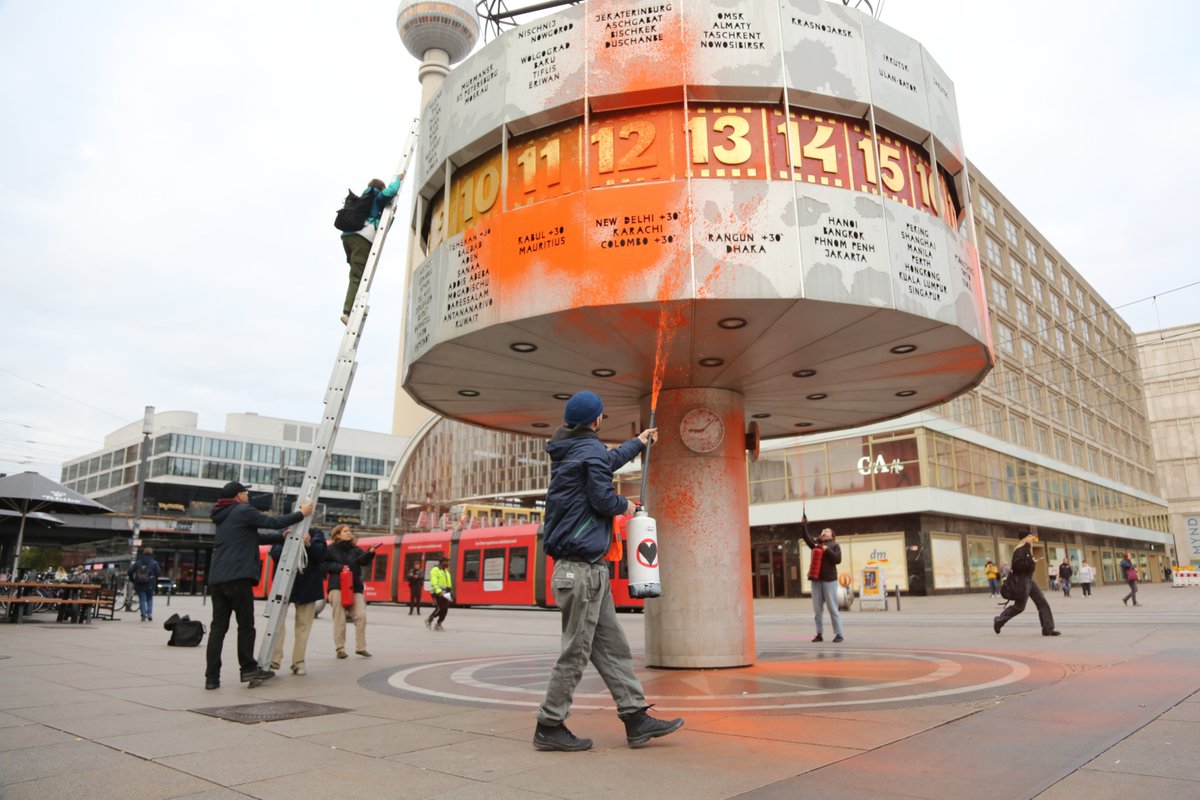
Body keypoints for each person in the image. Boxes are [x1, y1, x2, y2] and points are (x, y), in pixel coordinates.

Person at [533, 390, 683, 752]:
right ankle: (549, 724)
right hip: (582, 570)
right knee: (576, 651)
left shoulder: (574, 449)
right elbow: (602, 498)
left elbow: (606, 459)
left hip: (586, 570)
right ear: (596, 420)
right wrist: (626, 506)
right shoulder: (589, 452)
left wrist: (638, 443)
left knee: (611, 647)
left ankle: (635, 717)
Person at [206, 481, 313, 690]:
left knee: (218, 628)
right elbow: (272, 522)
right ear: (239, 495)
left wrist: (280, 538)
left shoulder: (222, 515)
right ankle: (248, 668)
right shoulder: (243, 510)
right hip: (238, 578)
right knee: (245, 626)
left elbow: (252, 537)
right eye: (245, 492)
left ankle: (211, 678)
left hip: (218, 579)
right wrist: (301, 513)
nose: (248, 495)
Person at [339, 176, 401, 324]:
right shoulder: (376, 196)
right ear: (380, 188)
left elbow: (382, 225)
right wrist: (398, 179)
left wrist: (390, 216)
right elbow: (391, 191)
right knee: (357, 277)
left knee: (355, 273)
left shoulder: (363, 198)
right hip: (362, 238)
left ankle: (352, 305)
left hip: (347, 238)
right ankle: (348, 313)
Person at [267, 527, 327, 676]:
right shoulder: (283, 529)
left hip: (308, 585)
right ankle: (274, 659)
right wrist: (284, 539)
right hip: (284, 584)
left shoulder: (315, 533)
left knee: (304, 626)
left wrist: (309, 543)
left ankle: (298, 662)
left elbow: (321, 555)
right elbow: (274, 554)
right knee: (277, 623)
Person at [324, 524, 377, 658]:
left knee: (361, 615)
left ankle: (360, 647)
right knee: (339, 619)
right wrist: (339, 567)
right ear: (337, 535)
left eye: (350, 531)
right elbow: (323, 565)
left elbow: (364, 561)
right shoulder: (330, 549)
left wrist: (370, 553)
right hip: (337, 586)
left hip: (355, 587)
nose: (349, 533)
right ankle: (340, 649)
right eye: (345, 531)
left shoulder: (355, 549)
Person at [993, 532, 1060, 636]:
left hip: (1029, 580)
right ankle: (999, 621)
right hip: (1022, 582)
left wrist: (1031, 562)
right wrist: (1030, 562)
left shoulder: (1027, 549)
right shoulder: (1020, 550)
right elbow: (1016, 566)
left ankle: (1048, 629)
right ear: (1024, 538)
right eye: (1029, 536)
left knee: (1042, 602)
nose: (1031, 538)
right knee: (1019, 607)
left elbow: (1026, 565)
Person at [801, 519, 844, 643]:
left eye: (827, 531)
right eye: (823, 531)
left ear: (831, 535)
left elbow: (838, 560)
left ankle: (839, 634)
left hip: (829, 580)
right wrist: (804, 526)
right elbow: (806, 537)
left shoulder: (835, 546)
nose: (824, 532)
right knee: (817, 610)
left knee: (833, 608)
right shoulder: (815, 544)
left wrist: (827, 550)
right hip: (816, 580)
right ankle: (819, 634)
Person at [127, 547, 161, 622]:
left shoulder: (138, 562)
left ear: (143, 553)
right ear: (151, 554)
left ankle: (143, 616)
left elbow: (129, 571)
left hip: (140, 584)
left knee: (142, 599)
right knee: (150, 599)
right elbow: (158, 572)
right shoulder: (154, 563)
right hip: (151, 584)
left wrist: (132, 579)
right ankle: (149, 614)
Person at [426, 557, 453, 631]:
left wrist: (450, 591)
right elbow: (434, 582)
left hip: (446, 592)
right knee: (440, 608)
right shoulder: (435, 570)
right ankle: (429, 619)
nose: (448, 563)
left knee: (445, 609)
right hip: (437, 592)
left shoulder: (446, 571)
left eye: (448, 562)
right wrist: (439, 591)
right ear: (442, 562)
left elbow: (448, 583)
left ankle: (439, 623)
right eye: (446, 562)